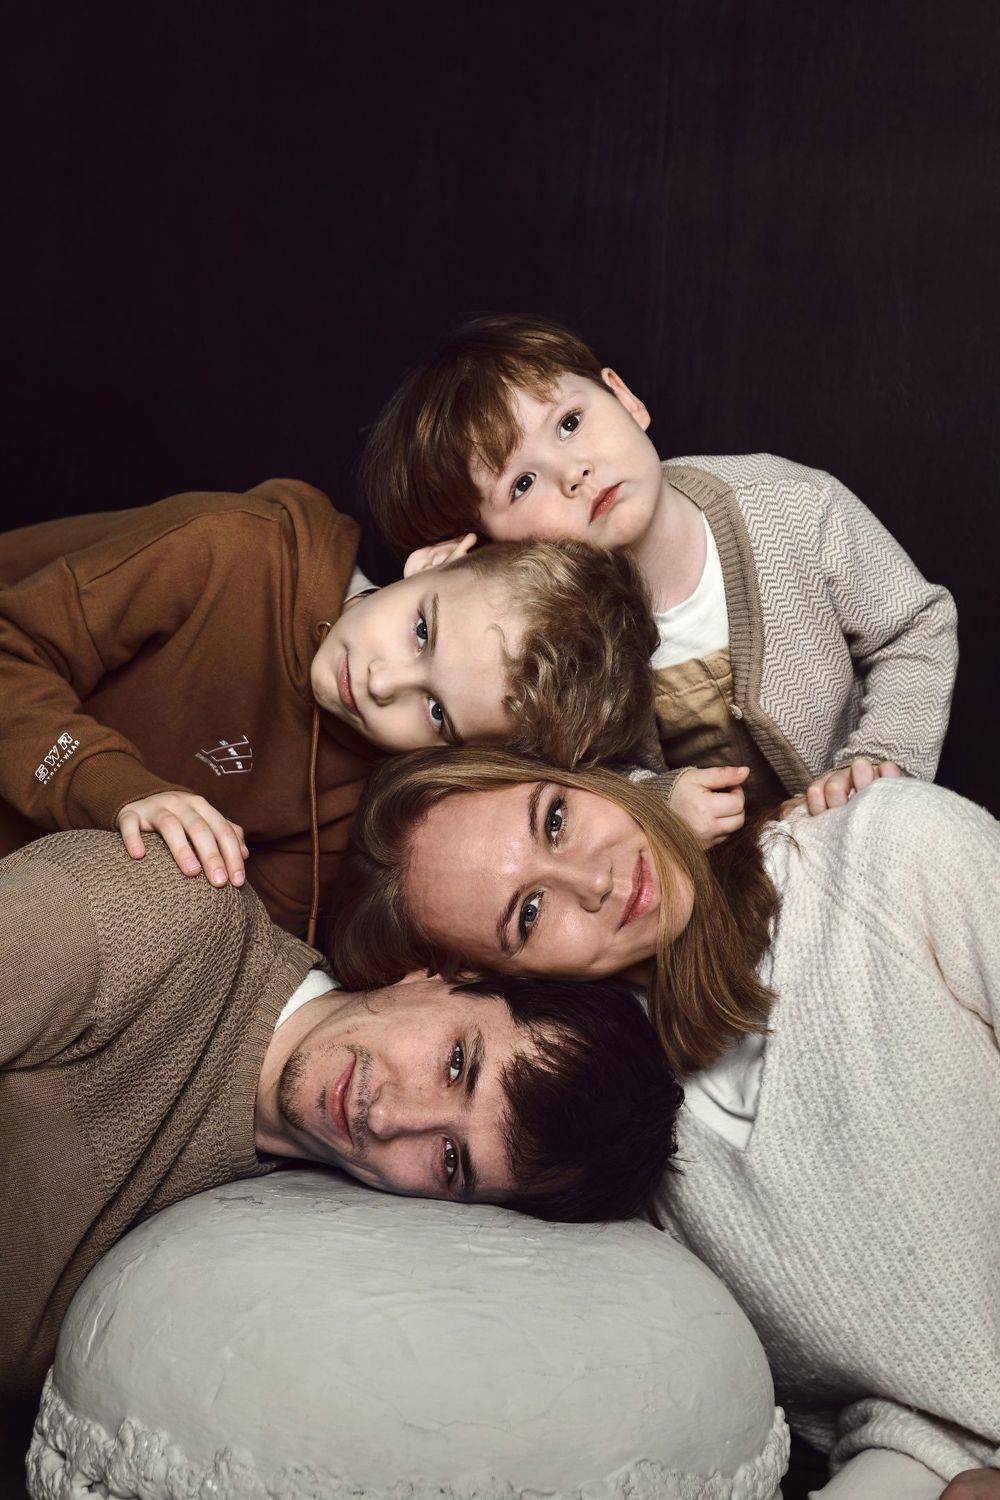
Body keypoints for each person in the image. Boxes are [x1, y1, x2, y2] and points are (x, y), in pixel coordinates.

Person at [330, 747, 1000, 1494]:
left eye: (556, 819)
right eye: (530, 913)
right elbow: (924, 1412)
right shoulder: (622, 1150)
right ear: (492, 984)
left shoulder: (885, 850)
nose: (596, 882)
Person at [0, 827, 680, 1453]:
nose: (390, 1118)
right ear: (445, 974)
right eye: (455, 1064)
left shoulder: (275, 1231)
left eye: (450, 1160)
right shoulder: (160, 914)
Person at [360, 315, 957, 845]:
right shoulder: (530, 659)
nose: (573, 472)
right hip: (716, 894)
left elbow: (915, 626)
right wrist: (657, 803)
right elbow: (565, 780)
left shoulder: (792, 507)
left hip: (859, 828)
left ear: (624, 398)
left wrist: (876, 760)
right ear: (492, 553)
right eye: (521, 484)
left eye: (569, 423)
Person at [0, 479, 657, 939]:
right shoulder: (232, 550)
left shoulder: (357, 807)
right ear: (437, 560)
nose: (380, 681)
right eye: (422, 631)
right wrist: (111, 787)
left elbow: (240, 929)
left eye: (435, 712)